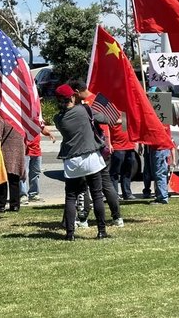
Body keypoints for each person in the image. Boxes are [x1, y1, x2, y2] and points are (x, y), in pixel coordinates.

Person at [53, 84, 110, 240]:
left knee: (71, 196)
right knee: (97, 195)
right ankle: (101, 230)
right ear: (72, 96)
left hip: (72, 161)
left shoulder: (57, 119)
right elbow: (104, 118)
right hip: (91, 157)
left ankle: (70, 233)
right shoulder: (85, 110)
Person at [0, 113, 26, 213]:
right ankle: (15, 205)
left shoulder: (2, 119)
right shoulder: (20, 121)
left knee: (1, 181)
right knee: (14, 181)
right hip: (18, 153)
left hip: (5, 153)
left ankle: (0, 205)